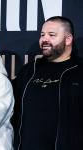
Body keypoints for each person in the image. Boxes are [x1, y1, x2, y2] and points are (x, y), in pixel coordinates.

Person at [12, 16, 83, 150]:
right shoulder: (29, 70)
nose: (44, 39)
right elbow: (5, 101)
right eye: (42, 35)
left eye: (52, 35)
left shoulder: (79, 71)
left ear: (68, 39)